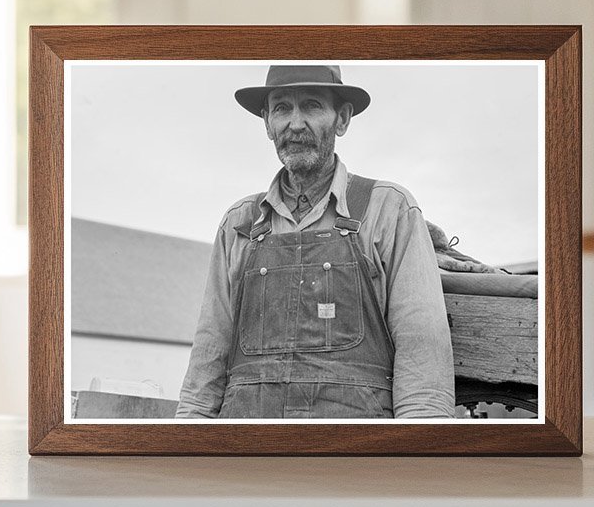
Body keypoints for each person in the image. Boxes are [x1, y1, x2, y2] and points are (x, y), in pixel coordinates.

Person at [175, 64, 455, 420]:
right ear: (266, 123)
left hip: (353, 462)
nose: (294, 123)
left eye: (311, 106)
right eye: (281, 108)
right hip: (248, 459)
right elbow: (206, 365)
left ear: (342, 119)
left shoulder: (388, 210)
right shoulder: (239, 223)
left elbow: (423, 374)